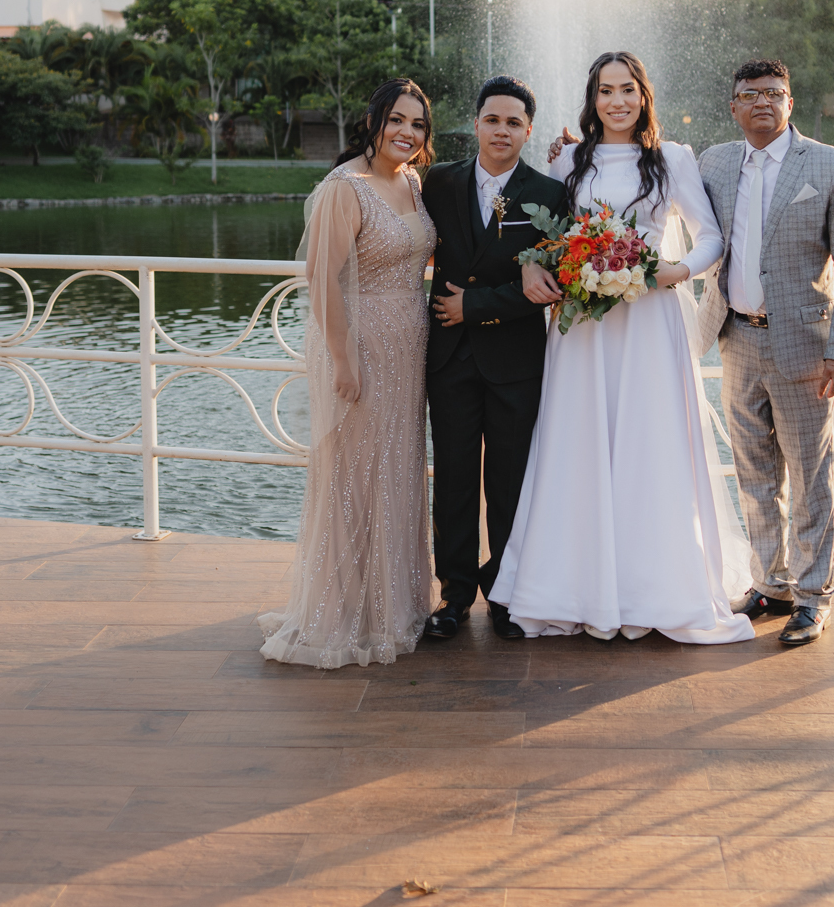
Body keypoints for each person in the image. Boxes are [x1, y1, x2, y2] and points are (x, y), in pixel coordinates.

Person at [490, 51, 754, 644]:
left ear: (643, 95)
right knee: (578, 443)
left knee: (648, 444)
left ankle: (654, 588)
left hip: (651, 319)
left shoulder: (673, 159)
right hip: (584, 325)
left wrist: (676, 270)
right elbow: (545, 238)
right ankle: (572, 587)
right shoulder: (568, 161)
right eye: (606, 90)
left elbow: (711, 236)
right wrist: (546, 265)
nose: (617, 101)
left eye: (627, 89)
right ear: (593, 98)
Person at [259, 78, 437, 668]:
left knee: (396, 471)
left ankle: (391, 605)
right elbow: (323, 280)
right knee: (355, 477)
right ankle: (341, 614)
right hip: (361, 349)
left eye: (417, 124)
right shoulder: (345, 188)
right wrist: (343, 360)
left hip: (409, 350)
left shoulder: (410, 181)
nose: (406, 133)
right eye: (396, 120)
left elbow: (414, 251)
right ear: (373, 121)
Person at [695, 59, 834, 646]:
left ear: (790, 103)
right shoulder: (715, 162)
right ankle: (770, 583)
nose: (763, 103)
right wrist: (572, 156)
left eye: (775, 93)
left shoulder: (827, 163)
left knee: (810, 475)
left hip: (805, 348)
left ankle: (812, 595)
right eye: (750, 94)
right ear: (734, 107)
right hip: (737, 340)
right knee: (754, 473)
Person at [420, 76, 568, 642]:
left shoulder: (550, 194)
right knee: (454, 479)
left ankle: (506, 593)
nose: (501, 130)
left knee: (510, 483)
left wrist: (475, 305)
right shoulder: (438, 182)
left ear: (528, 130)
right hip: (451, 358)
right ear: (476, 122)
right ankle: (454, 595)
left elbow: (554, 282)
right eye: (492, 119)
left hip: (515, 360)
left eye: (513, 122)